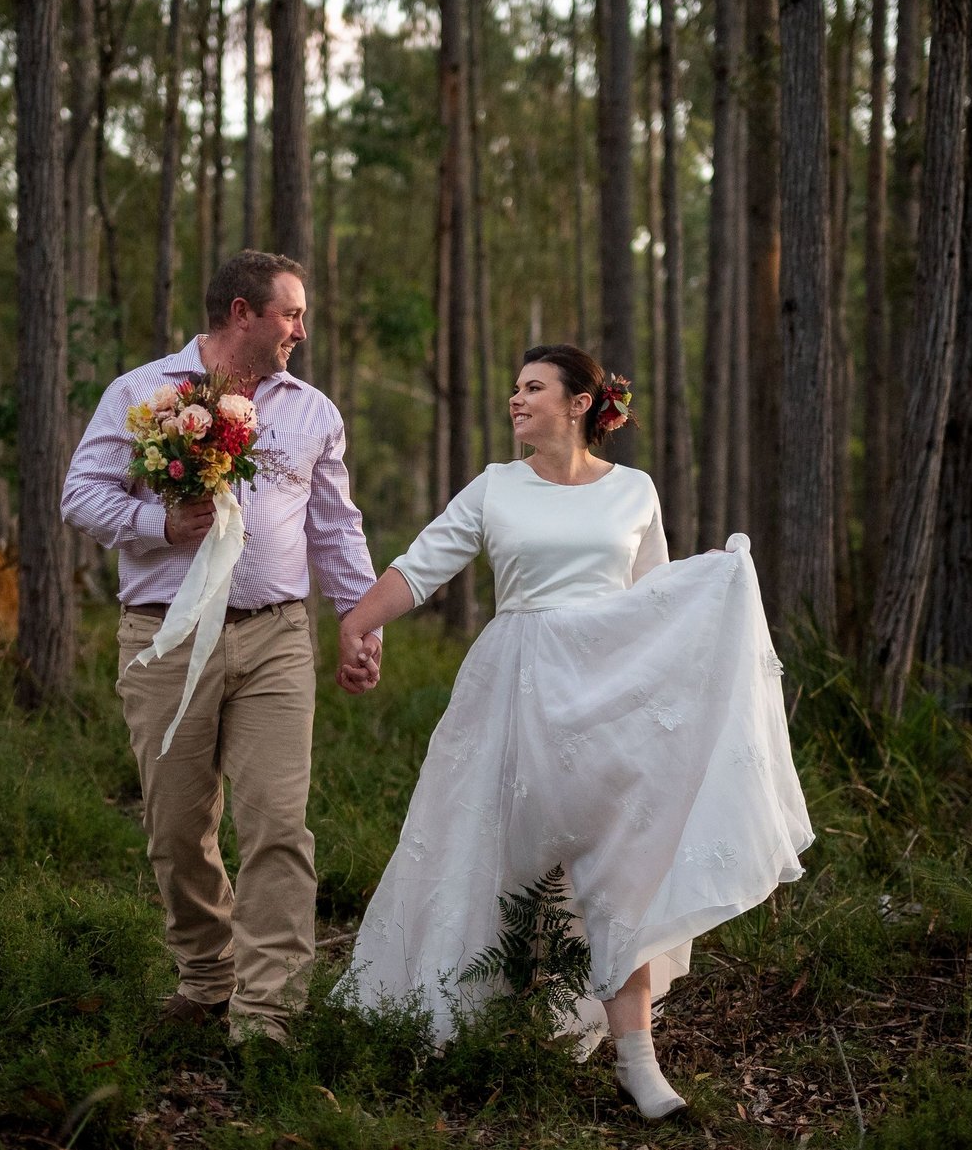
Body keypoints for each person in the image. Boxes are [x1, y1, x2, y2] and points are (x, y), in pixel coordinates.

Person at [338, 344, 813, 1120]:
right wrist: (358, 622)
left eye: (533, 388)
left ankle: (640, 1060)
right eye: (513, 387)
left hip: (607, 689)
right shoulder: (496, 487)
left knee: (620, 862)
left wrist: (721, 584)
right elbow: (422, 565)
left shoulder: (634, 491)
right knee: (487, 850)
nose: (516, 400)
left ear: (580, 403)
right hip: (515, 685)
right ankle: (458, 1024)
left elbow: (654, 597)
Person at [61, 250, 382, 1046]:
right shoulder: (141, 393)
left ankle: (268, 1011)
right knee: (176, 825)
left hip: (276, 636)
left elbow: (335, 527)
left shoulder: (313, 412)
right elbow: (82, 492)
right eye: (291, 314)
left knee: (277, 820)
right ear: (242, 313)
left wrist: (360, 619)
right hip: (166, 635)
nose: (300, 331)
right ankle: (207, 976)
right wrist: (157, 525)